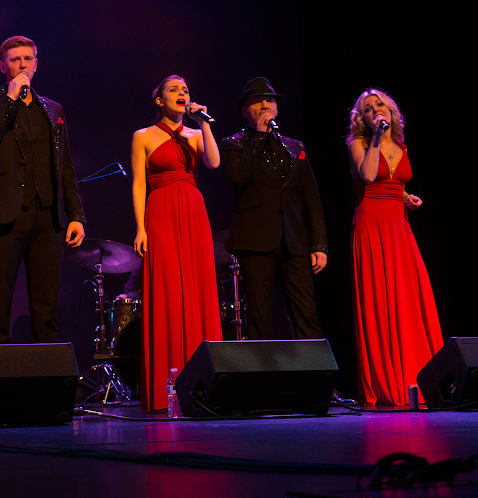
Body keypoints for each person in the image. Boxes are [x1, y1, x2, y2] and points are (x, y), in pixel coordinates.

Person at [0, 36, 86, 345]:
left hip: (48, 218)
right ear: (2, 66)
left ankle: (46, 375)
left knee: (46, 310)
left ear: (36, 64)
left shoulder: (53, 109)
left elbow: (65, 167)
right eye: (15, 60)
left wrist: (76, 215)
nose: (22, 65)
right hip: (5, 217)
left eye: (27, 59)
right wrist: (9, 100)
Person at [131, 75, 223, 411]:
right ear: (159, 100)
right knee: (167, 288)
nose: (182, 93)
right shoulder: (143, 136)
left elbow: (213, 162)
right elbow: (139, 184)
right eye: (174, 90)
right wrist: (140, 229)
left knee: (198, 289)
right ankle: (166, 387)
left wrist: (204, 123)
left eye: (185, 90)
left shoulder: (196, 134)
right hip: (160, 211)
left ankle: (204, 385)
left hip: (193, 211)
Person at [347, 88, 443, 406]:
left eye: (380, 104)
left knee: (408, 295)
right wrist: (376, 138)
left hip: (399, 225)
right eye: (368, 108)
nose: (376, 109)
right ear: (363, 118)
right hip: (372, 224)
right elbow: (368, 174)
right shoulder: (359, 144)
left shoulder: (401, 146)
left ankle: (420, 376)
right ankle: (389, 381)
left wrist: (406, 197)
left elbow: (394, 182)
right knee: (380, 298)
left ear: (390, 110)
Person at [220, 77, 327, 340]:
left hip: (294, 241)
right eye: (257, 101)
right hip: (256, 241)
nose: (265, 105)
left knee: (306, 314)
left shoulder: (295, 147)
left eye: (269, 101)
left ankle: (312, 367)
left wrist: (319, 245)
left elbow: (311, 198)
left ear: (277, 109)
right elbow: (237, 178)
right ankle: (262, 368)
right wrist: (258, 136)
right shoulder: (233, 144)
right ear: (245, 110)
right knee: (260, 317)